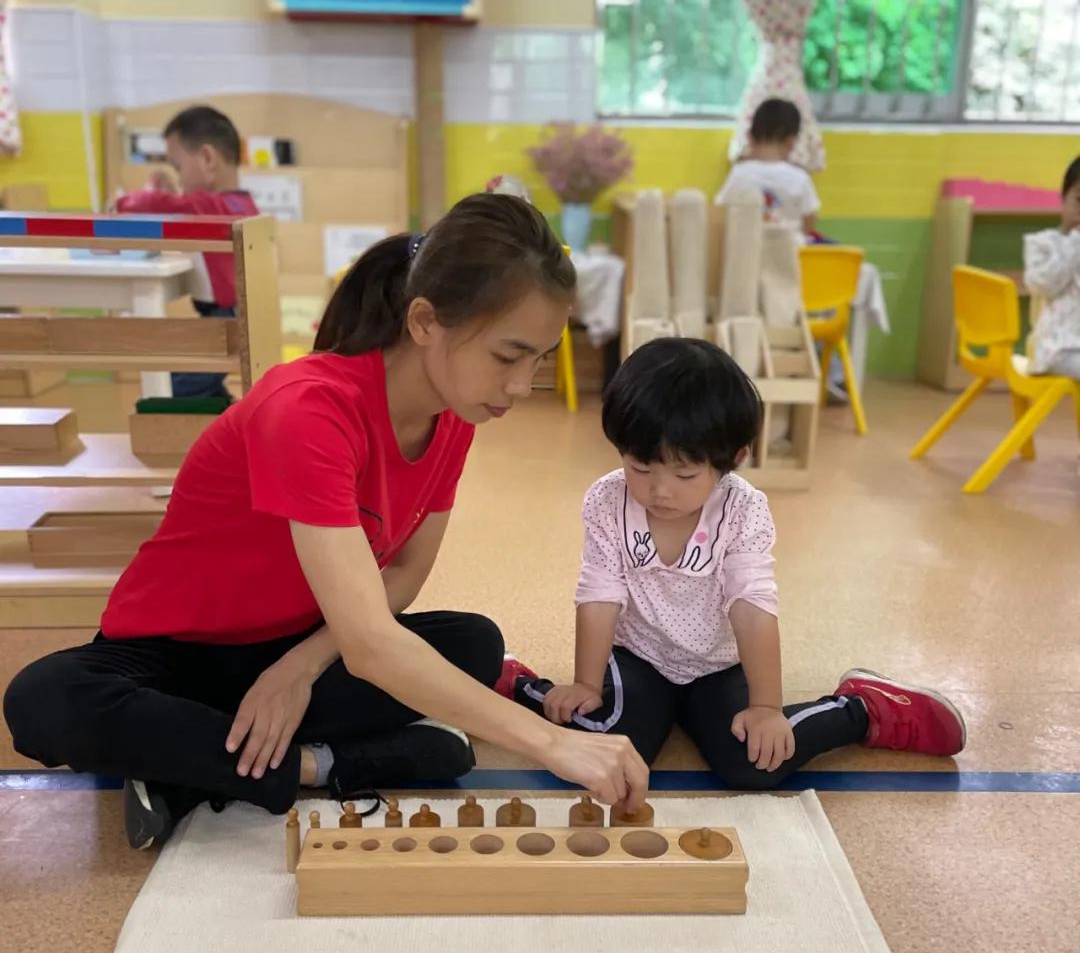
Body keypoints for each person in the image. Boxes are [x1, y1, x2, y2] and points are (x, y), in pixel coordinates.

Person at [4, 195, 649, 848]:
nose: (520, 384)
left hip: (300, 640)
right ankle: (321, 764)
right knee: (44, 699)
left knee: (474, 644)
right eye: (508, 356)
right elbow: (371, 642)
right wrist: (550, 741)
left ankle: (188, 761)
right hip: (174, 654)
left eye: (538, 359)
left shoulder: (455, 416)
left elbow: (401, 574)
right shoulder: (308, 411)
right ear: (425, 320)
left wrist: (301, 666)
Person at [502, 338, 965, 787]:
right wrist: (585, 683)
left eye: (684, 473)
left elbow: (752, 606)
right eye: (640, 467)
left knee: (755, 763)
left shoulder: (743, 510)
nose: (659, 490)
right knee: (605, 749)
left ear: (733, 459)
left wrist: (766, 707)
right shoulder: (608, 500)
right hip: (638, 656)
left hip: (719, 666)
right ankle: (519, 685)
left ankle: (863, 709)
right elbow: (599, 595)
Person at [116, 105, 259, 401]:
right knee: (190, 381)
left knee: (174, 390)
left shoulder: (208, 207)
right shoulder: (241, 206)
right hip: (236, 317)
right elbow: (185, 205)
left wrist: (124, 201)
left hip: (224, 321)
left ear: (207, 159)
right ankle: (224, 413)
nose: (179, 179)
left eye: (178, 167)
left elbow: (160, 206)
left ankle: (213, 424)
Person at [717, 98, 820, 238]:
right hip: (789, 253)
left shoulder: (739, 173)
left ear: (750, 136)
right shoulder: (800, 178)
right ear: (792, 141)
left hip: (747, 251)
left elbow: (721, 211)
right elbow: (809, 222)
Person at [1022, 155, 1080, 379]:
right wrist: (1075, 242)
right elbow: (1044, 285)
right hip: (1055, 349)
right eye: (1079, 200)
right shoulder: (1042, 244)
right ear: (1063, 199)